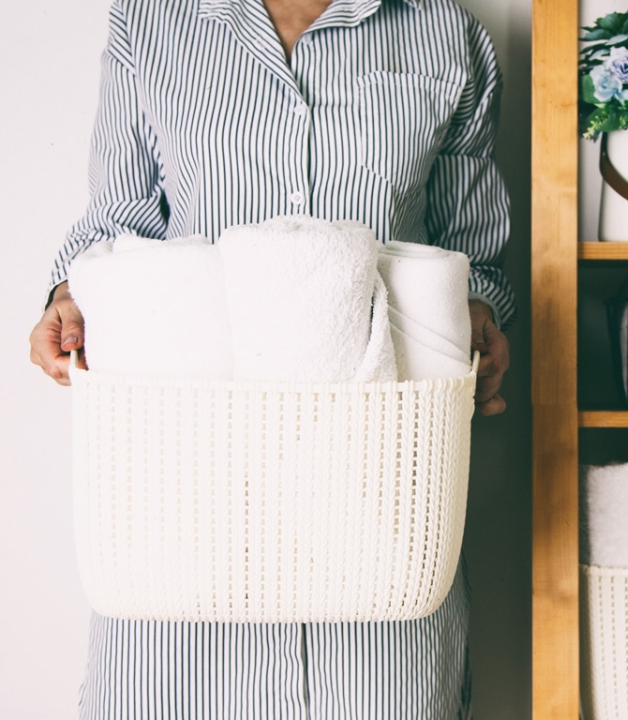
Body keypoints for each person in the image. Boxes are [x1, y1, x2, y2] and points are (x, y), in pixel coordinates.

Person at [27, 0, 512, 716]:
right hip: (184, 518)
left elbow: (475, 257)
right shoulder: (152, 22)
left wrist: (482, 318)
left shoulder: (447, 36)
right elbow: (116, 227)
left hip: (381, 512)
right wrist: (66, 297)